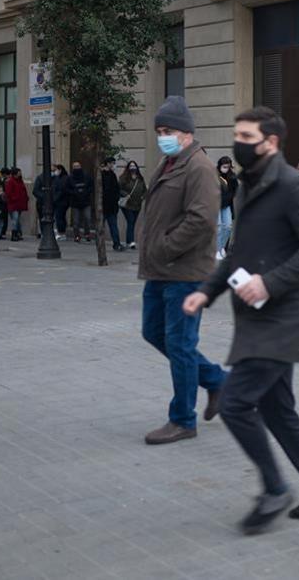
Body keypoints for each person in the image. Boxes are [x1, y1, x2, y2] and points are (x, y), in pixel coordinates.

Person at [183, 106, 299, 535]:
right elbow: (238, 254)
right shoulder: (248, 187)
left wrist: (270, 283)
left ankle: (274, 489)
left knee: (236, 403)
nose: (238, 142)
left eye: (246, 135)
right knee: (276, 408)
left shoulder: (294, 188)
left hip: (286, 317)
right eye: (237, 133)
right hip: (257, 317)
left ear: (270, 142)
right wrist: (207, 290)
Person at [136, 95, 226, 445]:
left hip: (185, 272)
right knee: (154, 332)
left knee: (180, 343)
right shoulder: (169, 163)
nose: (163, 136)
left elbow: (202, 220)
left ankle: (182, 419)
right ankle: (219, 381)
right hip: (161, 270)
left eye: (169, 130)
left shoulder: (199, 167)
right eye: (159, 130)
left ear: (187, 133)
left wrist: (165, 246)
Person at [119, 160, 147, 249]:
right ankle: (131, 242)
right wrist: (125, 194)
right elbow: (119, 189)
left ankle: (129, 241)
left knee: (132, 223)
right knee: (130, 221)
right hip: (127, 204)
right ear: (128, 168)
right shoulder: (123, 178)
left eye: (134, 166)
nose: (132, 167)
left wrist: (143, 197)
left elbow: (145, 190)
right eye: (131, 166)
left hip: (137, 205)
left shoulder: (140, 178)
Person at [216, 156, 239, 258]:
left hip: (226, 205)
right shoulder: (214, 175)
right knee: (219, 227)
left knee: (228, 227)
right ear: (220, 166)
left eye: (228, 167)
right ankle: (217, 250)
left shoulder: (232, 177)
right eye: (224, 167)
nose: (226, 169)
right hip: (216, 204)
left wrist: (229, 196)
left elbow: (236, 190)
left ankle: (221, 247)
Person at [67, 161, 93, 243]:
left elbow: (91, 186)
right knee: (76, 221)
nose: (77, 168)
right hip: (75, 202)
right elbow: (66, 189)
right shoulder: (70, 178)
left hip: (86, 201)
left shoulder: (86, 176)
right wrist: (74, 193)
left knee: (87, 218)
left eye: (78, 166)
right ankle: (77, 235)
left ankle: (87, 233)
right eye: (75, 166)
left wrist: (86, 193)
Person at [101, 159, 124, 251]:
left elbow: (116, 189)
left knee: (113, 226)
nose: (114, 165)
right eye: (113, 163)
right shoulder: (103, 175)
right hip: (105, 205)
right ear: (108, 164)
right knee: (110, 226)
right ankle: (115, 244)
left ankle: (116, 243)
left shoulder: (112, 175)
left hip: (111, 206)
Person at [4, 169, 28, 241]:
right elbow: (8, 193)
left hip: (19, 203)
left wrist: (25, 198)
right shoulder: (10, 181)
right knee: (15, 219)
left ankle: (18, 233)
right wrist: (13, 198)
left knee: (17, 219)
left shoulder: (20, 181)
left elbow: (23, 191)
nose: (20, 174)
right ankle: (14, 234)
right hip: (13, 204)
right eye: (19, 173)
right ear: (15, 174)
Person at [50, 165, 70, 241]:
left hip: (61, 202)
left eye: (56, 170)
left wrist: (55, 199)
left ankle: (61, 233)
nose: (55, 172)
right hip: (60, 201)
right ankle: (61, 232)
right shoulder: (57, 178)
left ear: (60, 170)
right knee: (60, 217)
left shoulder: (64, 178)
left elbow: (61, 190)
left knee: (59, 217)